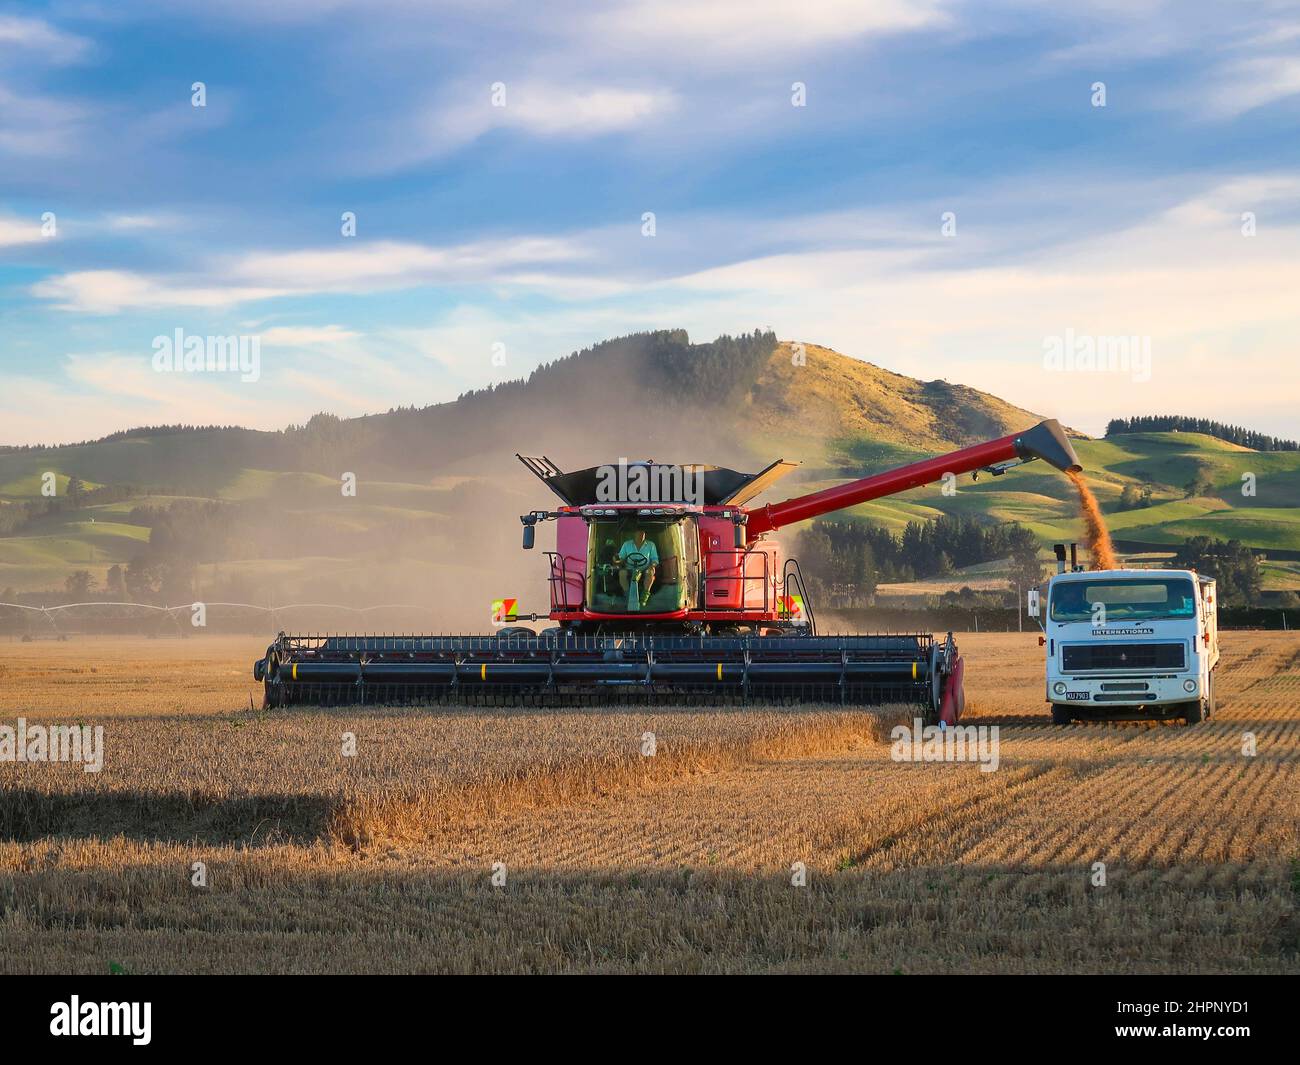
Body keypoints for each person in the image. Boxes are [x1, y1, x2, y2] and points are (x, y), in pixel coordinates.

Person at [615, 528, 658, 607]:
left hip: (644, 569)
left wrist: (652, 566)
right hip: (630, 569)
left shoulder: (651, 545)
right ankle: (628, 596)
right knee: (622, 573)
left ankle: (644, 598)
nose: (641, 534)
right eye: (639, 532)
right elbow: (621, 558)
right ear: (634, 534)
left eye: (643, 532)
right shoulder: (626, 544)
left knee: (651, 571)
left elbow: (655, 560)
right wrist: (617, 561)